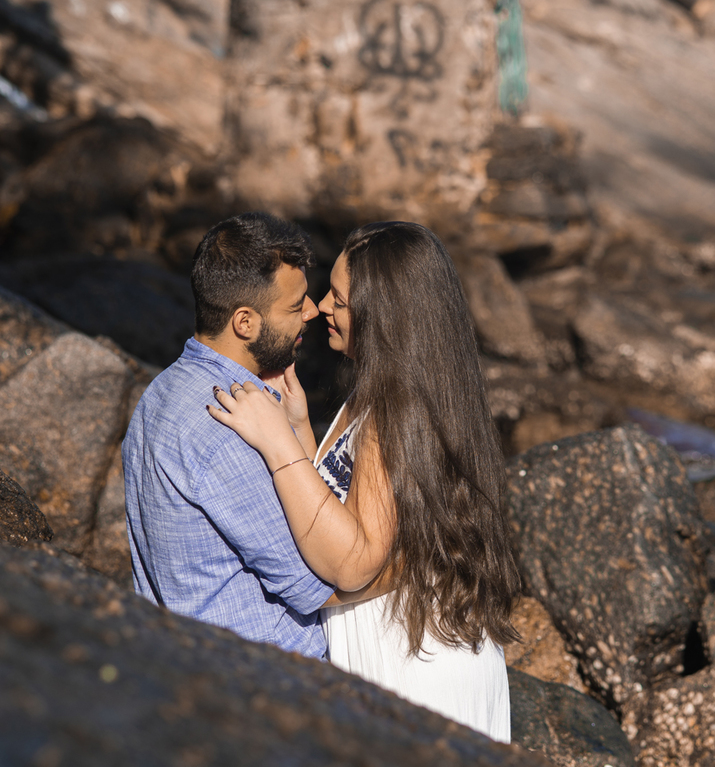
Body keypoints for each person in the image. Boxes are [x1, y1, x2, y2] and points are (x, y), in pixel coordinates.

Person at [207, 221, 522, 742]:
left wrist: (277, 443)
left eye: (341, 299)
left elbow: (354, 563)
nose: (320, 307)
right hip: (408, 651)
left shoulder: (396, 414)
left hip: (414, 672)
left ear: (386, 317)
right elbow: (346, 514)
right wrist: (301, 428)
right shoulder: (390, 394)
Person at [122, 212, 336, 658]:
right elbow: (318, 584)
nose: (313, 311)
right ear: (245, 323)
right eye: (296, 306)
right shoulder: (229, 425)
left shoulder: (161, 391)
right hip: (272, 677)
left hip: (192, 657)